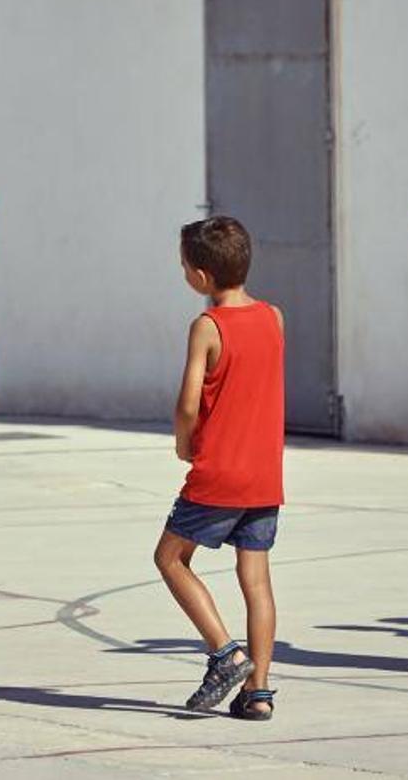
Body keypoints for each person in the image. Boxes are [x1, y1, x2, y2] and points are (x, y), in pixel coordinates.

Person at [153, 217, 284, 720]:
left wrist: (184, 444)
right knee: (257, 580)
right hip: (265, 476)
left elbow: (188, 402)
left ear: (202, 276)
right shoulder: (274, 317)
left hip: (218, 474)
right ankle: (259, 692)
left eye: (185, 266)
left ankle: (224, 652)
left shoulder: (208, 326)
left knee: (170, 558)